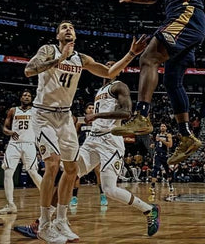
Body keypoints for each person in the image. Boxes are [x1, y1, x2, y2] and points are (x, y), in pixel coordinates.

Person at [24, 20, 146, 244]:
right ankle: (44, 224)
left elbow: (109, 71)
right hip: (43, 114)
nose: (68, 29)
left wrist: (130, 54)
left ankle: (61, 220)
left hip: (65, 116)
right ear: (58, 35)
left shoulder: (82, 59)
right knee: (52, 163)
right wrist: (57, 60)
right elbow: (29, 70)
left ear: (75, 36)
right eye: (63, 27)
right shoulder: (48, 50)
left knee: (72, 170)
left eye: (71, 27)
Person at [110, 0, 205, 165]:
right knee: (172, 81)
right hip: (184, 21)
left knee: (148, 58)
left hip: (187, 15)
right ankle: (186, 136)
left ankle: (142, 115)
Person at [77, 61, 160, 237]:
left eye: (112, 65)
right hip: (93, 138)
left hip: (110, 140)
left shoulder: (119, 86)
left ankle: (149, 209)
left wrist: (96, 115)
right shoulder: (99, 91)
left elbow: (126, 113)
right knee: (70, 173)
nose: (108, 67)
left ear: (117, 71)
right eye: (105, 65)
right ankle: (50, 221)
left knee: (109, 189)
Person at [0, 90, 42, 215]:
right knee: (8, 172)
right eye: (24, 95)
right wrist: (10, 132)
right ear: (20, 97)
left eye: (29, 95)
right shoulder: (13, 110)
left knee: (33, 172)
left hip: (29, 143)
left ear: (32, 99)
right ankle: (11, 204)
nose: (26, 97)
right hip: (14, 144)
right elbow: (5, 128)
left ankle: (48, 197)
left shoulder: (35, 111)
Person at [71, 103, 108, 207]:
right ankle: (74, 197)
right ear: (85, 110)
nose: (91, 110)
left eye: (93, 108)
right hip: (83, 148)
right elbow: (74, 135)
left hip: (95, 149)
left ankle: (102, 195)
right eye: (89, 108)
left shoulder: (98, 122)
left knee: (98, 172)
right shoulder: (80, 122)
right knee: (77, 174)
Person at [149, 123, 174, 195]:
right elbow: (157, 144)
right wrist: (153, 145)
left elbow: (170, 145)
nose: (162, 127)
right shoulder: (157, 134)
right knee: (155, 169)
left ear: (166, 128)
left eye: (164, 126)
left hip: (165, 155)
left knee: (167, 171)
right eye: (161, 126)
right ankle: (152, 187)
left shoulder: (168, 135)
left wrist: (161, 140)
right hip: (157, 155)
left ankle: (170, 184)